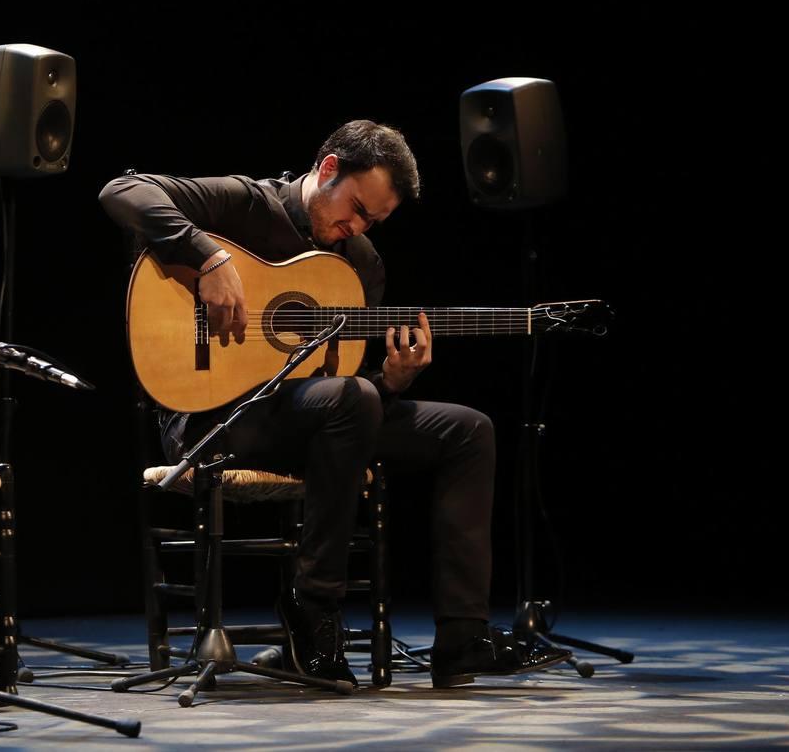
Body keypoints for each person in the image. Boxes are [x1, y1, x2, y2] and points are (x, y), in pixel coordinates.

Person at [100, 119, 570, 687]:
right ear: (327, 169)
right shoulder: (248, 206)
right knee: (353, 399)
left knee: (467, 429)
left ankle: (461, 638)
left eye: (374, 220)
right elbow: (122, 191)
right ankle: (312, 605)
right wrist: (208, 258)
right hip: (216, 420)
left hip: (321, 422)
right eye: (356, 207)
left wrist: (392, 379)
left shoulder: (361, 263)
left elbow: (346, 379)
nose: (357, 226)